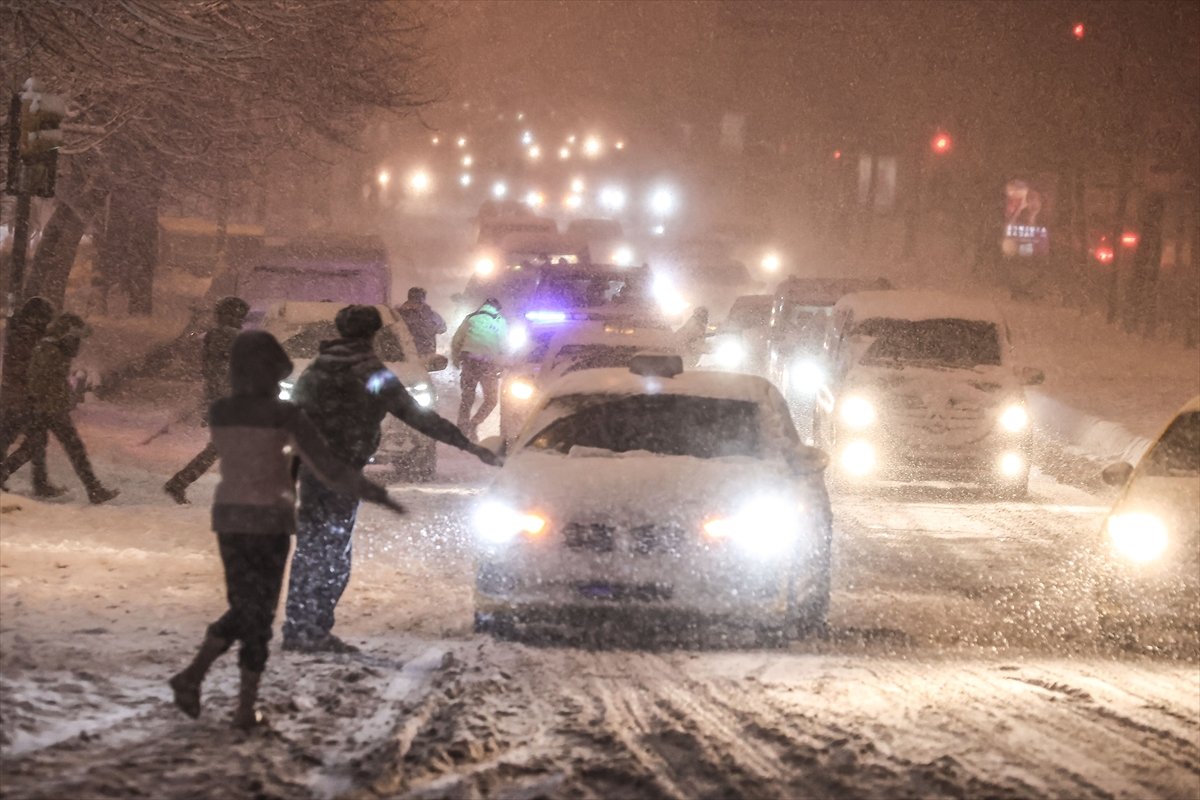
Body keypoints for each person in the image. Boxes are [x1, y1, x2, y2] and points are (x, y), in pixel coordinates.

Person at [169, 330, 404, 731]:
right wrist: (374, 492)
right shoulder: (286, 416)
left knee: (246, 607)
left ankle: (198, 679)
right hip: (269, 522)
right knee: (256, 613)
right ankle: (238, 706)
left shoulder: (222, 411)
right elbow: (327, 467)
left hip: (229, 519)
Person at [282, 304, 500, 653]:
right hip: (344, 471)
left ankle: (299, 626)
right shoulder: (372, 373)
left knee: (310, 548)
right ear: (374, 335)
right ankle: (314, 628)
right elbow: (416, 416)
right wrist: (468, 445)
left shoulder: (317, 371)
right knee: (334, 551)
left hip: (313, 469)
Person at [0, 313, 119, 503]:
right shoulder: (50, 350)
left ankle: (17, 477)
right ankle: (93, 489)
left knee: (34, 447)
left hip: (47, 407)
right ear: (66, 335)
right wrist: (49, 400)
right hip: (50, 409)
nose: (78, 345)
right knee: (73, 448)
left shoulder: (55, 349)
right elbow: (37, 380)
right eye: (75, 338)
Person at [163, 296, 251, 504]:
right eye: (239, 316)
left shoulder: (217, 337)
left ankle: (180, 482)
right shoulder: (229, 337)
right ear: (230, 315)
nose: (242, 320)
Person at [0, 296, 55, 461]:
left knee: (5, 438)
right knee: (36, 441)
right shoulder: (29, 337)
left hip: (14, 396)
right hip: (21, 398)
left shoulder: (22, 334)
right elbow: (27, 368)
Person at [451, 297, 508, 440]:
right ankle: (474, 424)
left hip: (469, 361)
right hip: (488, 364)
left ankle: (461, 429)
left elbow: (456, 340)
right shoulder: (500, 321)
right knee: (491, 400)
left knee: (467, 398)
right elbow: (503, 346)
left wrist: (456, 359)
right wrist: (502, 365)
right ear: (497, 309)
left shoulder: (470, 318)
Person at [395, 286, 446, 358]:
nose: (418, 305)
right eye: (415, 302)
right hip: (407, 357)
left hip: (425, 356)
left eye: (420, 302)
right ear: (409, 300)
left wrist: (431, 329)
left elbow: (442, 328)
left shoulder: (430, 315)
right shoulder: (400, 314)